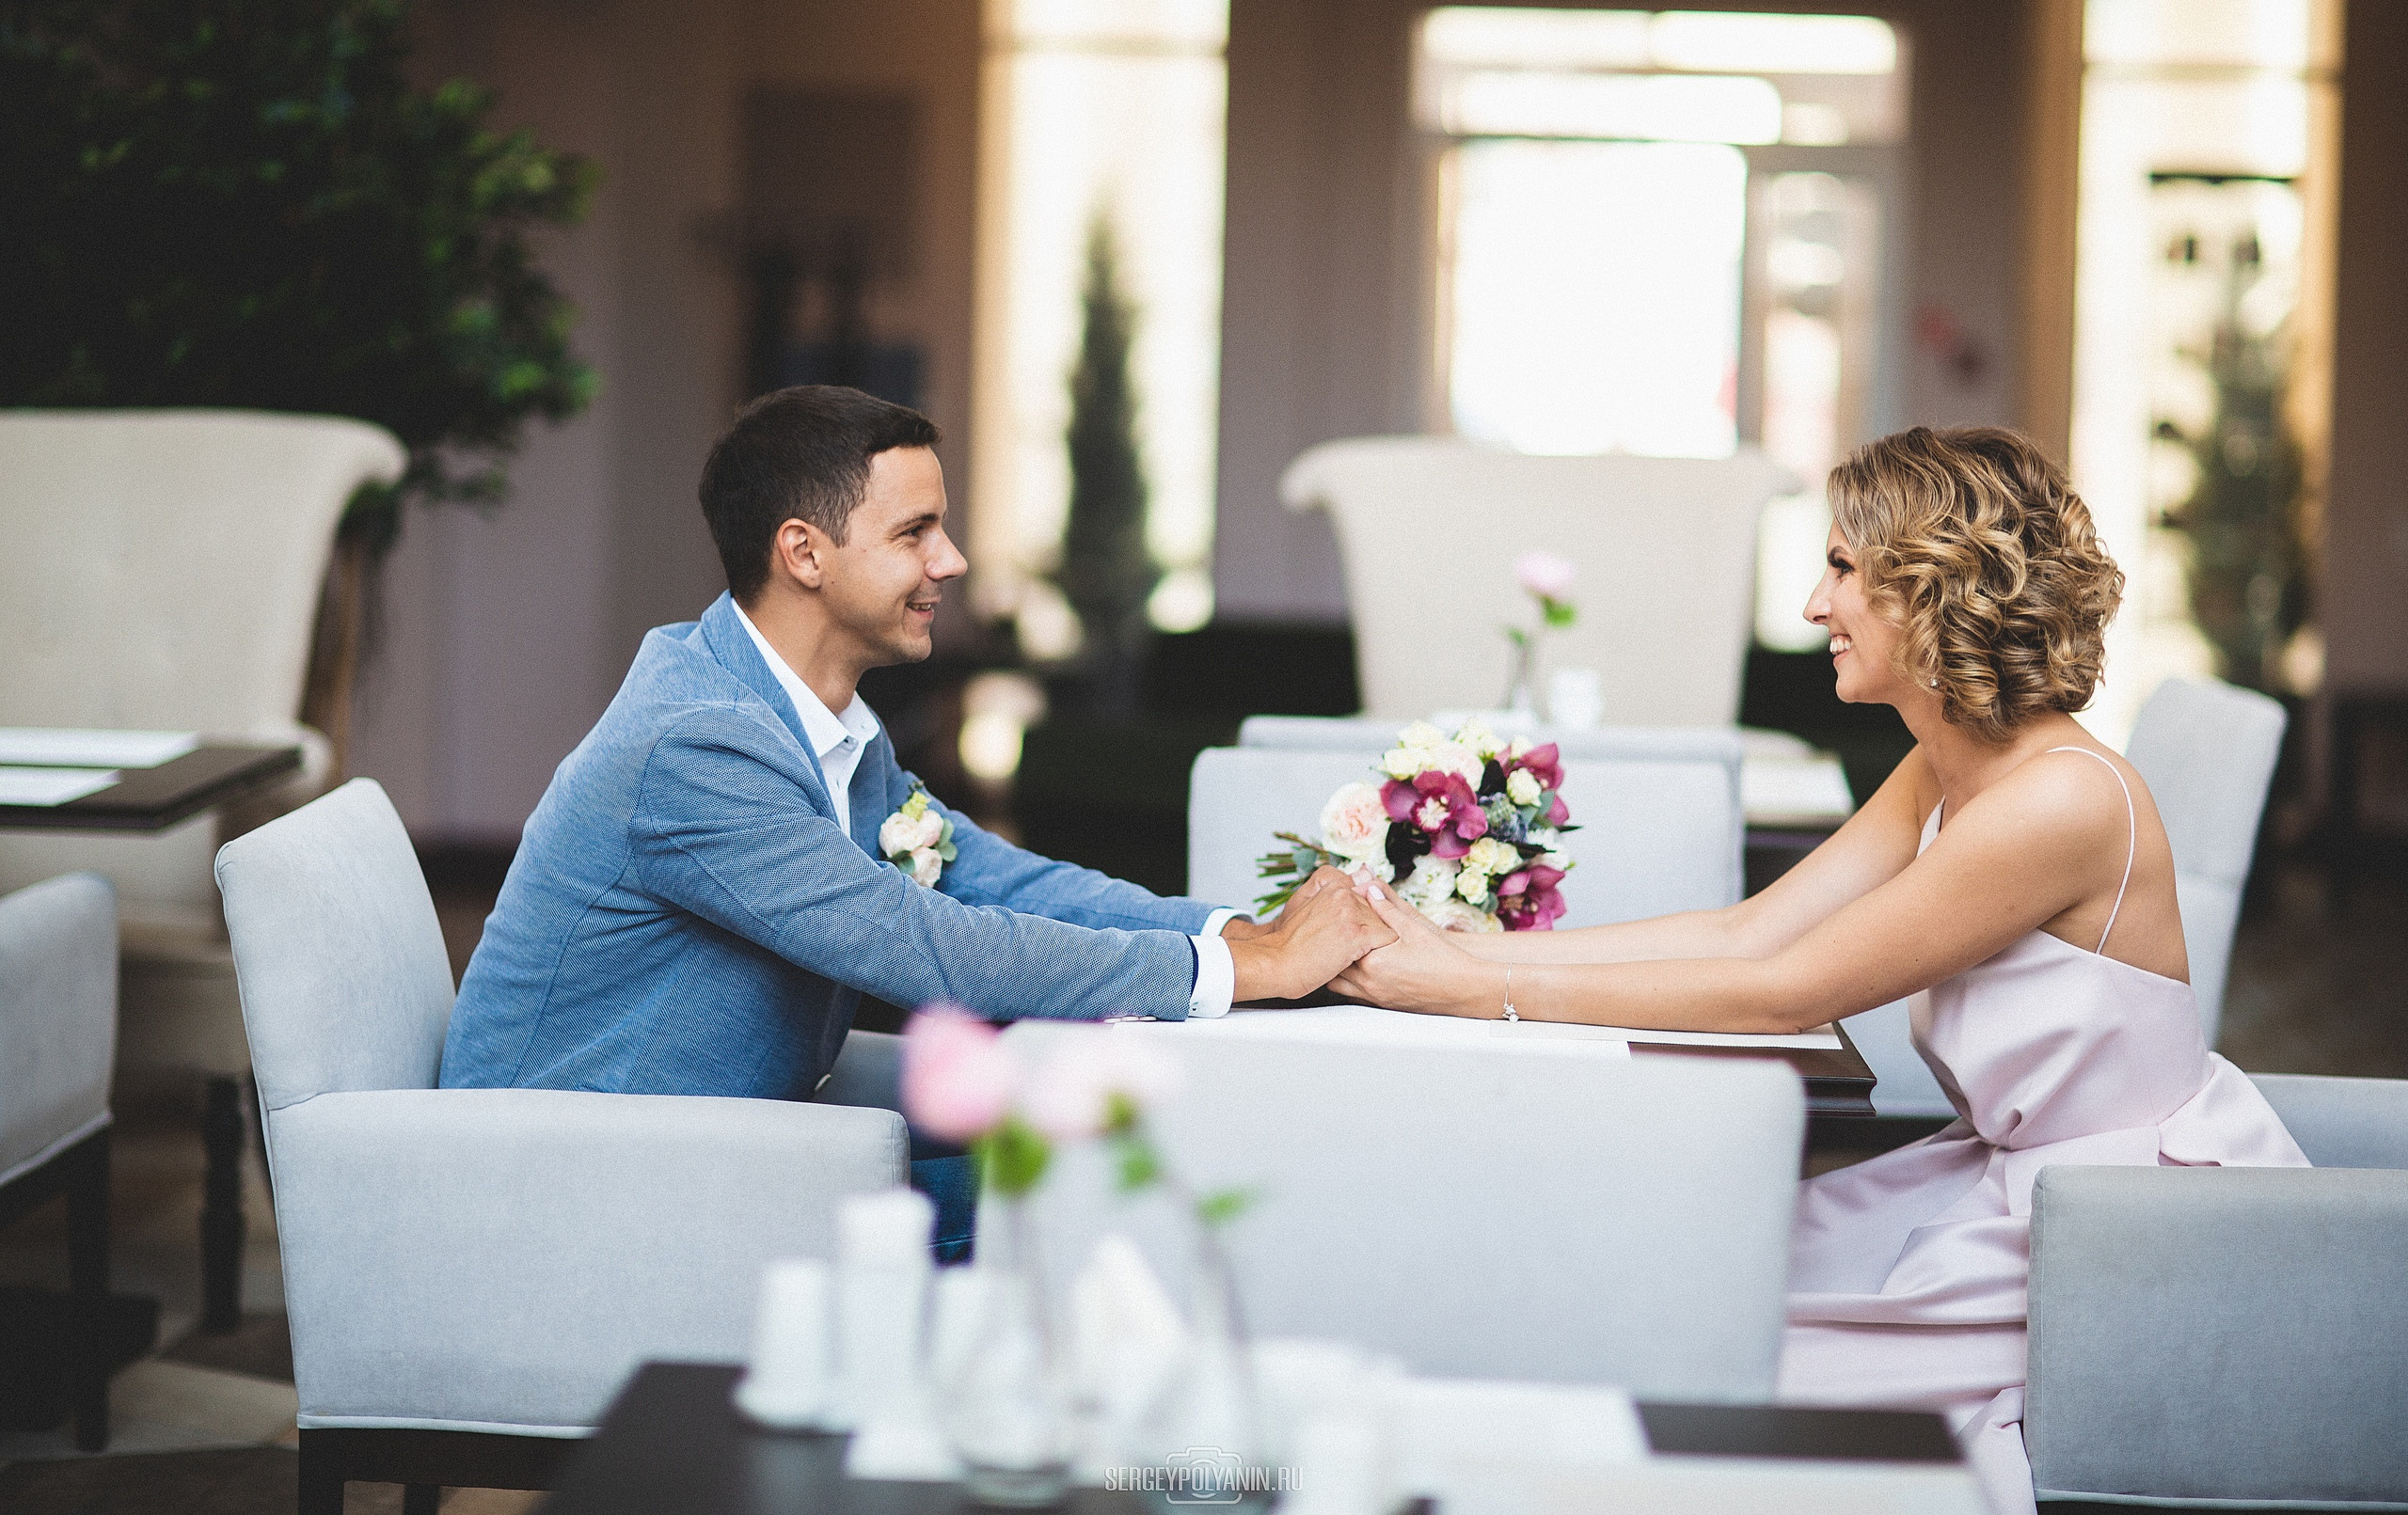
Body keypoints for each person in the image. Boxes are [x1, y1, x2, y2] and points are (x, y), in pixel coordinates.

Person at [1323, 425, 2307, 1515]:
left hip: (2115, 1237)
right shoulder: (1948, 761)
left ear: (1931, 589)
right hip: (2004, 1184)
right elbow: (1748, 934)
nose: (1810, 606)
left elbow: (1786, 993)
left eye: (1841, 568)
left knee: (1718, 1345)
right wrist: (1460, 951)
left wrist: (1468, 991)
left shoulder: (2058, 798)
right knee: (1689, 1277)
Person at [440, 386, 1390, 1254]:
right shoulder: (697, 743)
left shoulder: (820, 720)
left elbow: (993, 877)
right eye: (915, 532)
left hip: (730, 1127)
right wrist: (1248, 969)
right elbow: (926, 948)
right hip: (575, 1187)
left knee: (1113, 1134)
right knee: (1104, 1197)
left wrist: (1233, 930)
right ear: (804, 552)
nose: (953, 560)